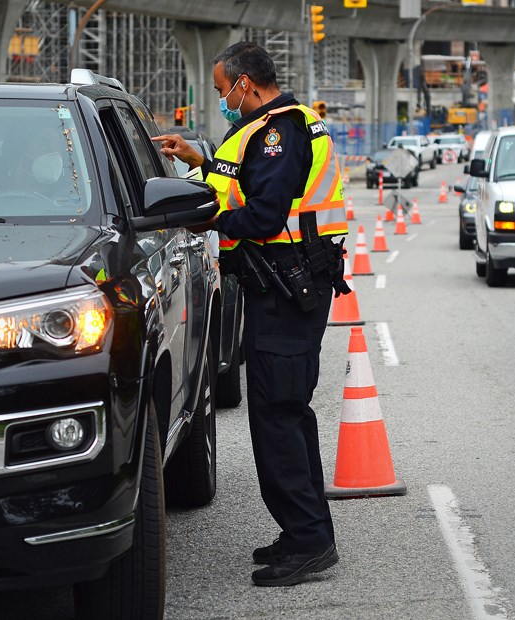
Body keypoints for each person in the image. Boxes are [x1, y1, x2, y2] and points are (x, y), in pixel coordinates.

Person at [153, 41, 348, 588]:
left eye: (222, 90)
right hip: (288, 287)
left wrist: (206, 219)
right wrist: (200, 161)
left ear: (246, 84)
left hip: (288, 289)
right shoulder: (272, 128)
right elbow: (245, 179)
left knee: (279, 416)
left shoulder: (278, 133)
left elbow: (262, 213)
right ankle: (305, 533)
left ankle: (309, 542)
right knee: (287, 413)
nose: (222, 99)